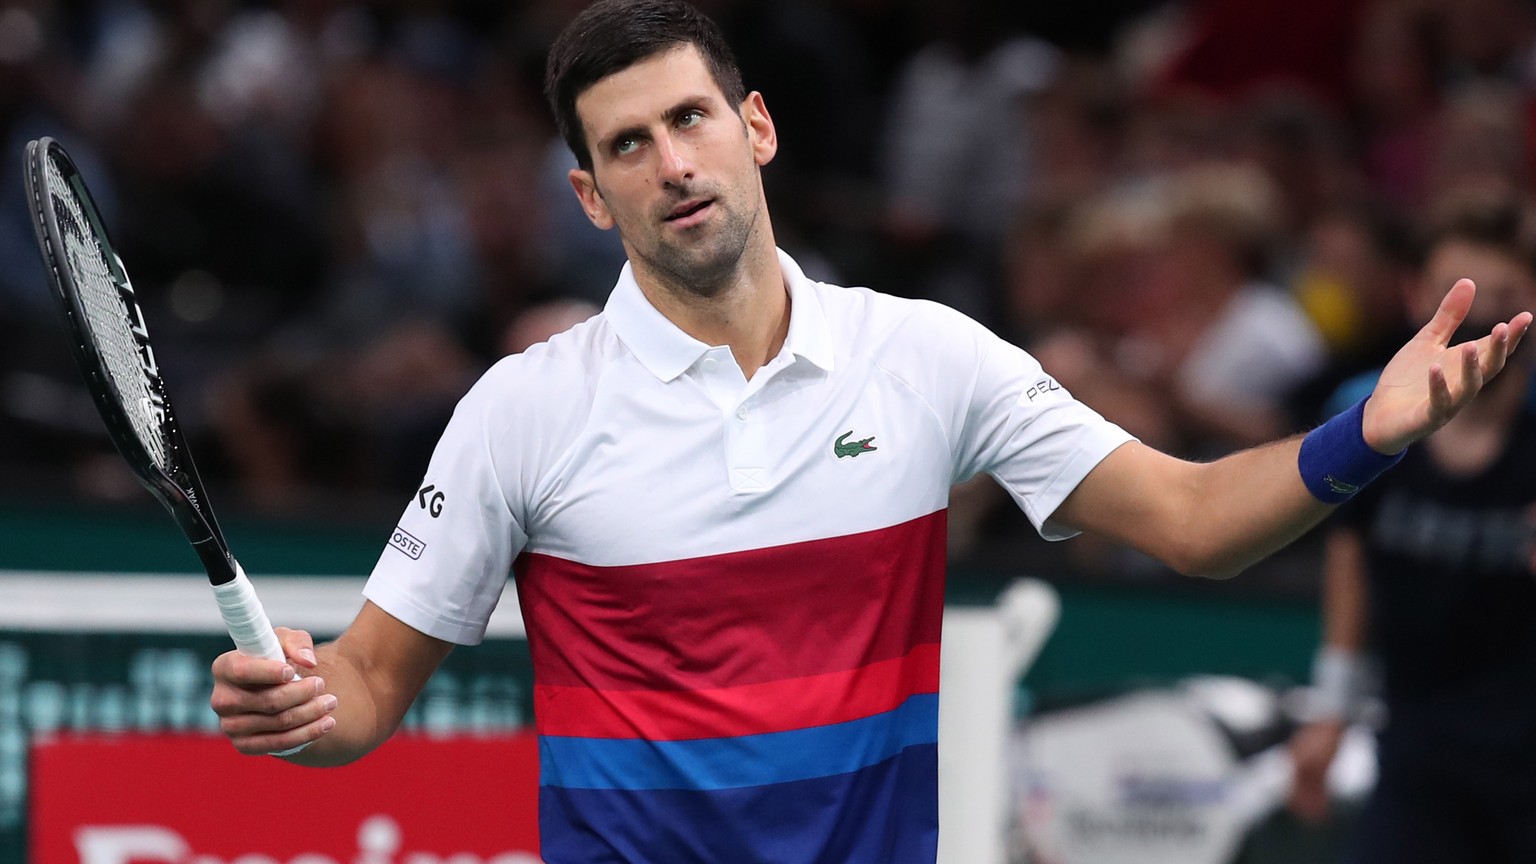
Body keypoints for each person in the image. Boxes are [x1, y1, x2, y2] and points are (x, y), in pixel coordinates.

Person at [209, 2, 1531, 861]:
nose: (672, 163)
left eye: (690, 120)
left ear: (756, 129)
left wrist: (1371, 433)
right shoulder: (523, 411)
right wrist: (300, 709)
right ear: (591, 196)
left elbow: (1193, 524)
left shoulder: (926, 359)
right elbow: (370, 692)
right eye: (627, 146)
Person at [1287, 192, 1536, 863]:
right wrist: (1331, 711)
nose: (1479, 317)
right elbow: (1350, 562)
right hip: (1418, 750)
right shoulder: (1362, 416)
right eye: (1456, 294)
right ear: (1413, 294)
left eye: (1504, 294)